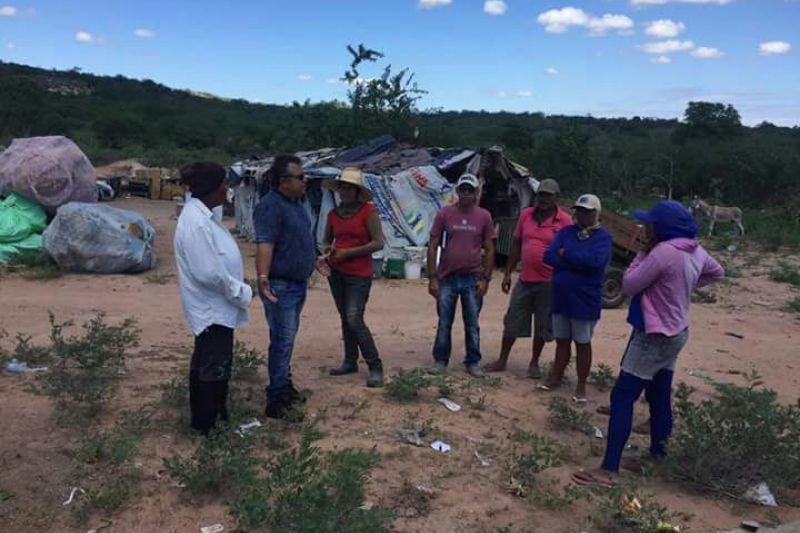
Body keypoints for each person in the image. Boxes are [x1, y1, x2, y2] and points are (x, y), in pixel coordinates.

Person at [572, 200, 724, 488]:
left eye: (650, 225)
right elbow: (718, 272)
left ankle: (609, 469)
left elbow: (629, 285)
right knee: (659, 394)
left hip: (653, 336)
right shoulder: (692, 249)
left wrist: (642, 252)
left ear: (662, 228)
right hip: (676, 331)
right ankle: (657, 456)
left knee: (622, 397)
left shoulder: (663, 253)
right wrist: (686, 285)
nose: (646, 229)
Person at [174, 162, 253, 435]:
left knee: (208, 362)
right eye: (223, 184)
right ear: (213, 187)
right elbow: (208, 272)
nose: (227, 189)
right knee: (214, 366)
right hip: (212, 306)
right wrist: (240, 291)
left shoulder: (203, 214)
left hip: (215, 306)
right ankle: (209, 427)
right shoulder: (196, 222)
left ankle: (210, 418)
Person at [484, 179, 572, 378]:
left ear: (556, 198)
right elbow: (516, 245)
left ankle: (534, 363)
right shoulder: (526, 215)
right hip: (525, 279)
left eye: (549, 195)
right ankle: (502, 360)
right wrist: (507, 273)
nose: (544, 199)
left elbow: (569, 251)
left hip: (549, 282)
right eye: (541, 194)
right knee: (512, 320)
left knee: (542, 324)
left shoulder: (565, 221)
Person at [253, 155, 316, 420]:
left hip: (297, 283)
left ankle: (284, 385)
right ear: (283, 181)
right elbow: (265, 244)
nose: (306, 181)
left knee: (286, 340)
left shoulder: (297, 204)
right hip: (281, 284)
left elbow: (298, 240)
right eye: (300, 177)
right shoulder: (271, 206)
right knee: (281, 340)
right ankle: (277, 398)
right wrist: (263, 277)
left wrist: (315, 258)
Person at [540, 194, 613, 402]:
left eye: (587, 211)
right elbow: (549, 256)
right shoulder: (566, 232)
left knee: (582, 342)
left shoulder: (603, 238)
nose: (581, 215)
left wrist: (567, 255)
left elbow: (595, 264)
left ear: (596, 213)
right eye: (579, 211)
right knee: (562, 340)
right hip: (561, 296)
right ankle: (556, 377)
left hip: (585, 299)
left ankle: (581, 385)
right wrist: (573, 259)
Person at [321, 167, 385, 388]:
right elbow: (327, 240)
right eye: (342, 188)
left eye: (349, 188)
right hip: (337, 271)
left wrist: (349, 252)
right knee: (345, 318)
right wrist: (329, 251)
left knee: (353, 318)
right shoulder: (334, 214)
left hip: (359, 273)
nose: (345, 191)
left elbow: (379, 242)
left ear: (357, 191)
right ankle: (350, 361)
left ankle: (375, 365)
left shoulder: (369, 212)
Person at [427, 173, 496, 376]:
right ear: (457, 192)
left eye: (470, 190)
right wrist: (432, 277)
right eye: (462, 190)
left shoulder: (484, 216)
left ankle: (473, 361)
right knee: (444, 322)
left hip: (472, 278)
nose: (466, 194)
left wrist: (486, 278)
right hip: (446, 277)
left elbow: (490, 248)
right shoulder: (444, 214)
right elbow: (432, 246)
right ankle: (440, 360)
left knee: (472, 323)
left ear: (476, 193)